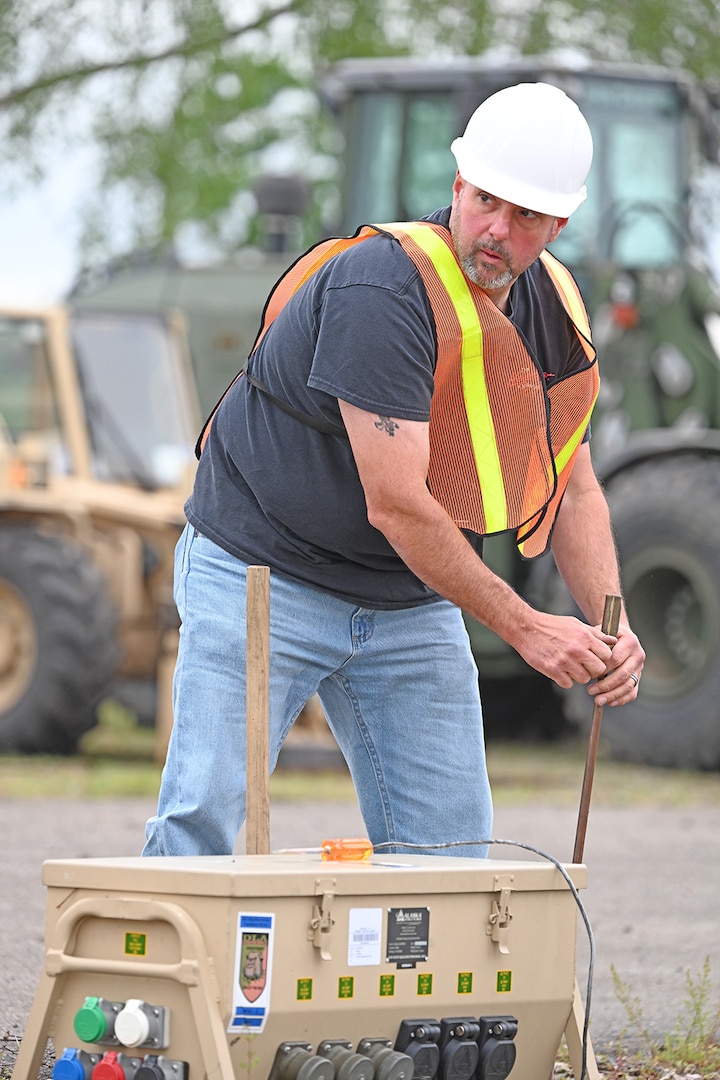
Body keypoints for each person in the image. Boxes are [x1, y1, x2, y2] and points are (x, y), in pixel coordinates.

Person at [143, 81, 645, 859]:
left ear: (559, 224)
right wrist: (528, 628)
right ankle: (156, 986)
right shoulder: (383, 288)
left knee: (451, 861)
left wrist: (612, 626)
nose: (496, 231)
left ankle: (425, 988)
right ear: (457, 186)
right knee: (200, 823)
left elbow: (573, 486)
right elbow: (398, 503)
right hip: (263, 574)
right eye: (486, 201)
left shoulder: (554, 310)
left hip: (408, 599)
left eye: (526, 217)